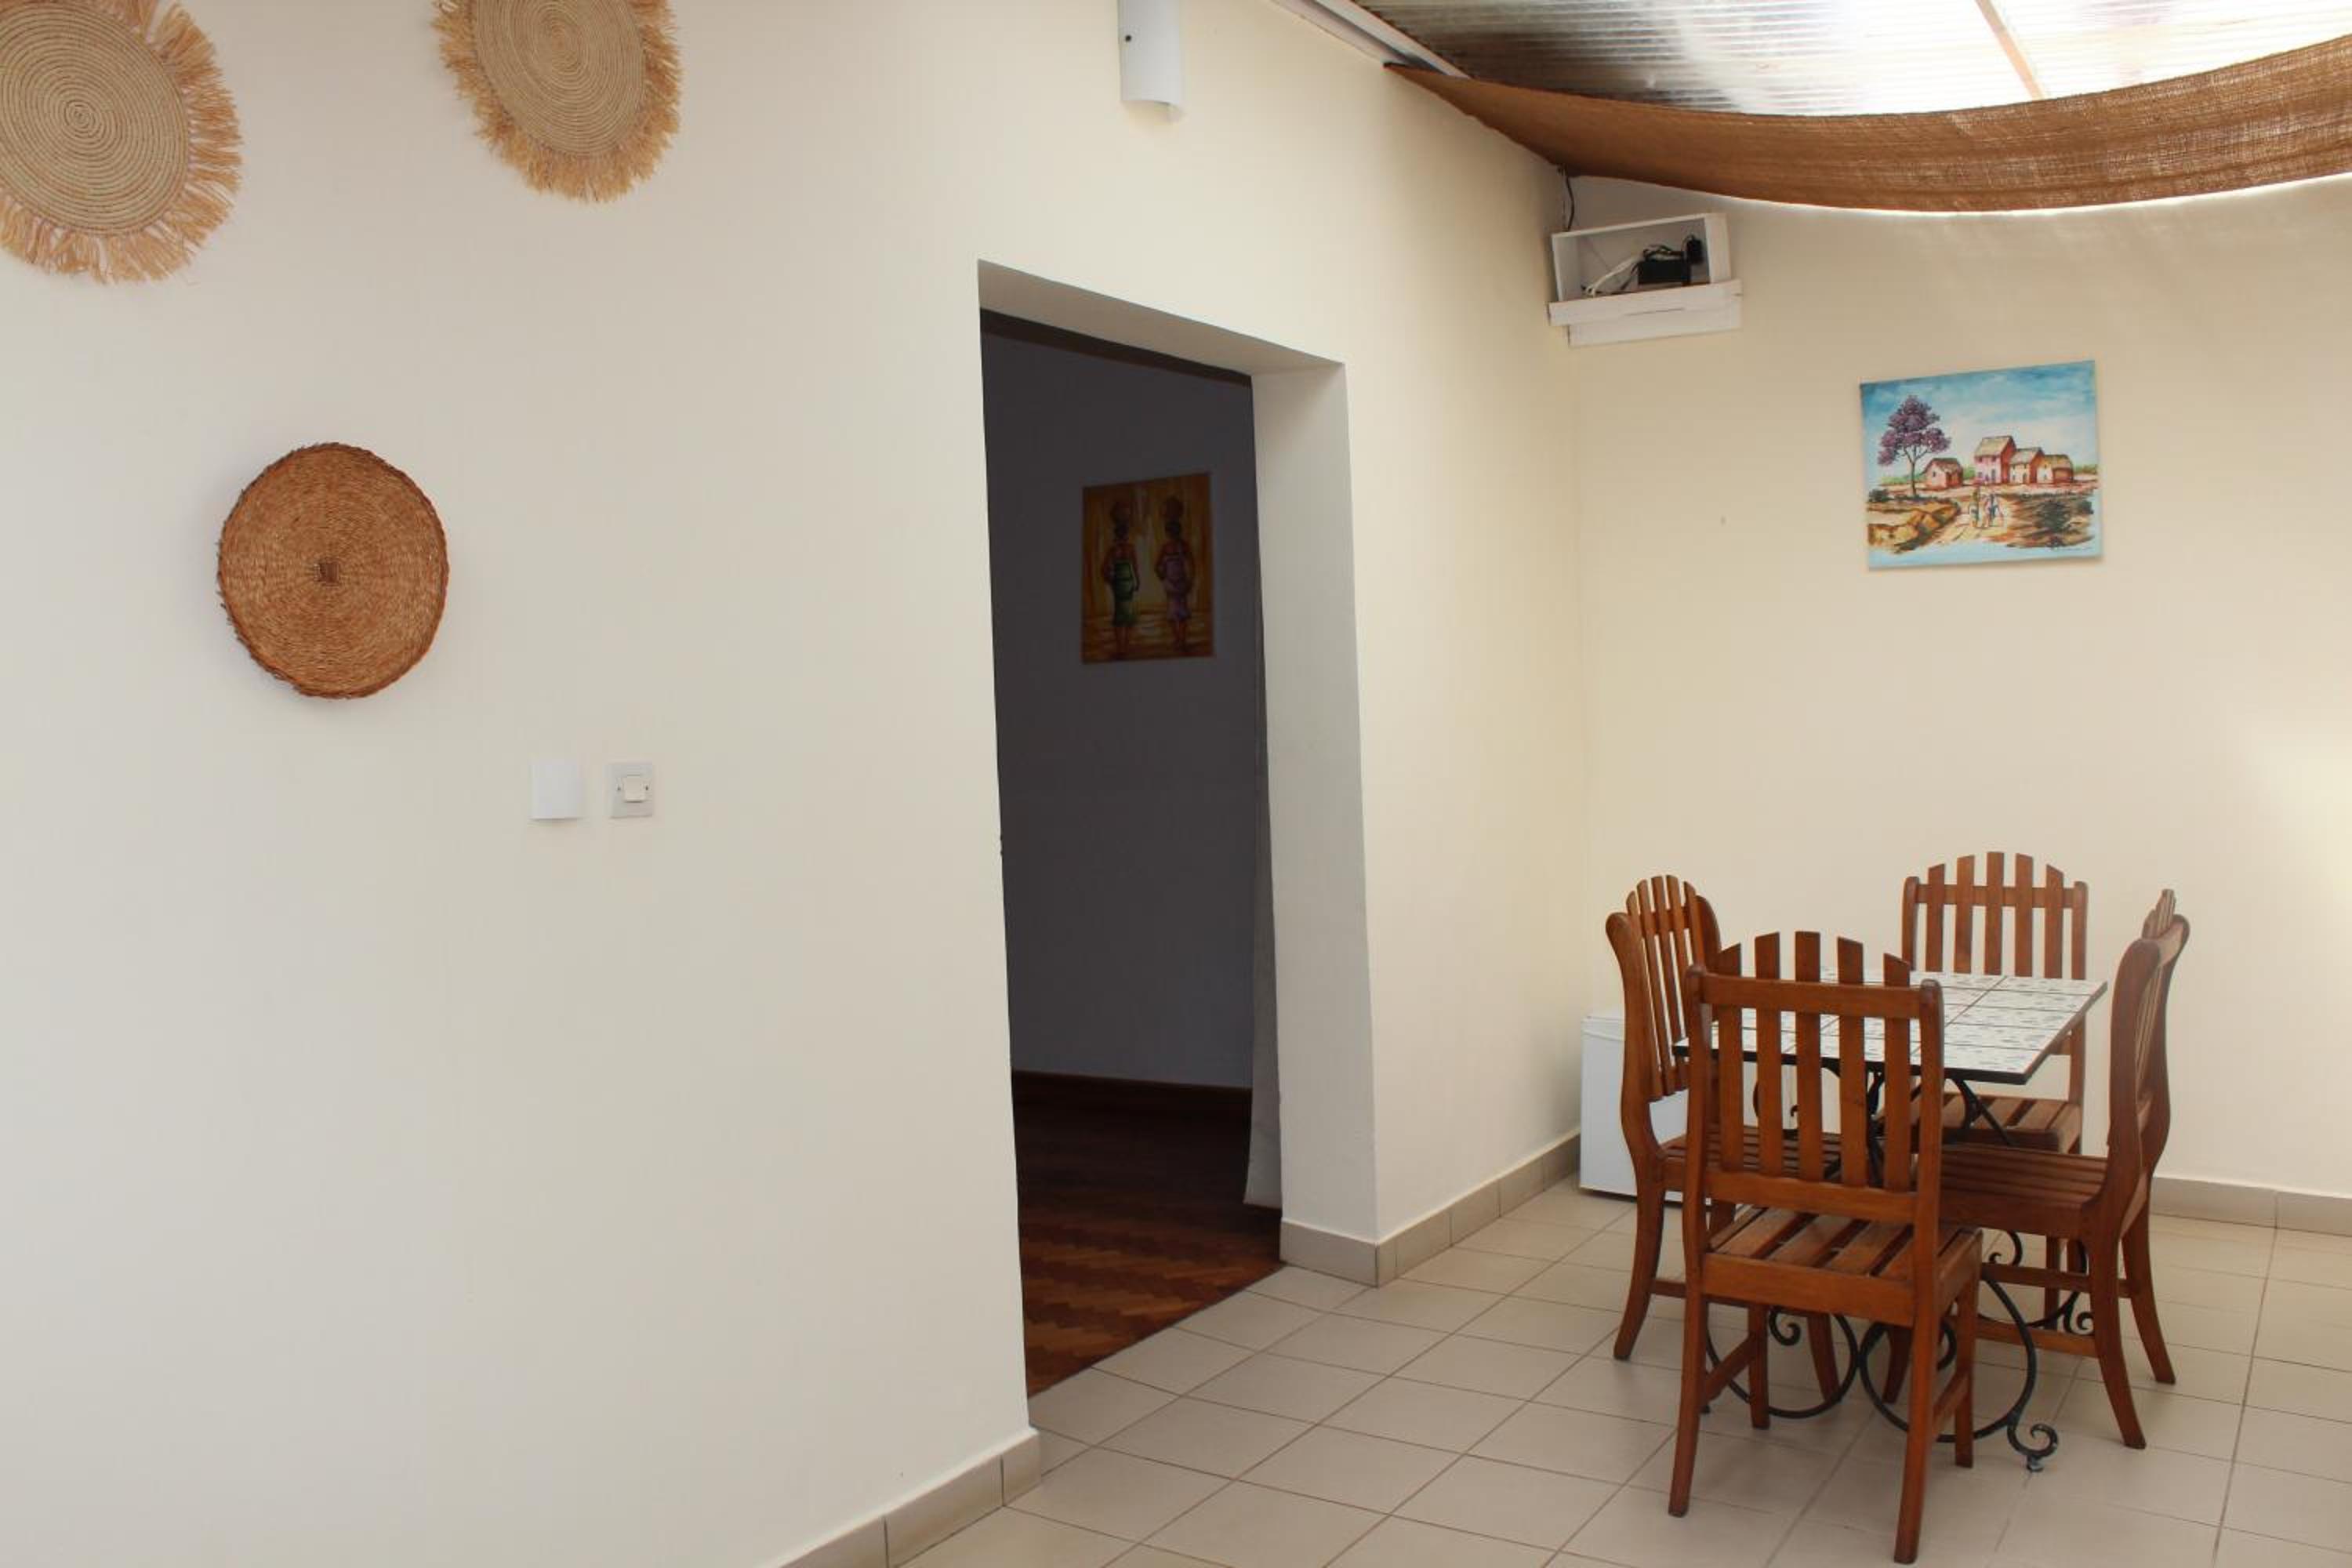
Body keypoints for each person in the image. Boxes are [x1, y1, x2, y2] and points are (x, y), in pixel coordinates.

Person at [1155, 496, 1196, 654]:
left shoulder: (1167, 547)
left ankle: (1179, 639)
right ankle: (1181, 639)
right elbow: (1192, 564)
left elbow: (1157, 566)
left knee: (1174, 612)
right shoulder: (1182, 546)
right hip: (1179, 583)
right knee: (1180, 612)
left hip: (1174, 584)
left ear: (1168, 532)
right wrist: (1190, 580)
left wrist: (1162, 575)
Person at [1100, 499, 1141, 659]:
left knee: (1119, 616)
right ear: (1126, 534)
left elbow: (1104, 568)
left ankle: (1121, 648)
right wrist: (1138, 582)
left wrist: (1110, 579)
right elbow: (1135, 567)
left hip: (1118, 583)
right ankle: (1126, 647)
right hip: (1128, 582)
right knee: (1128, 614)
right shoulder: (1130, 549)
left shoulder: (1113, 550)